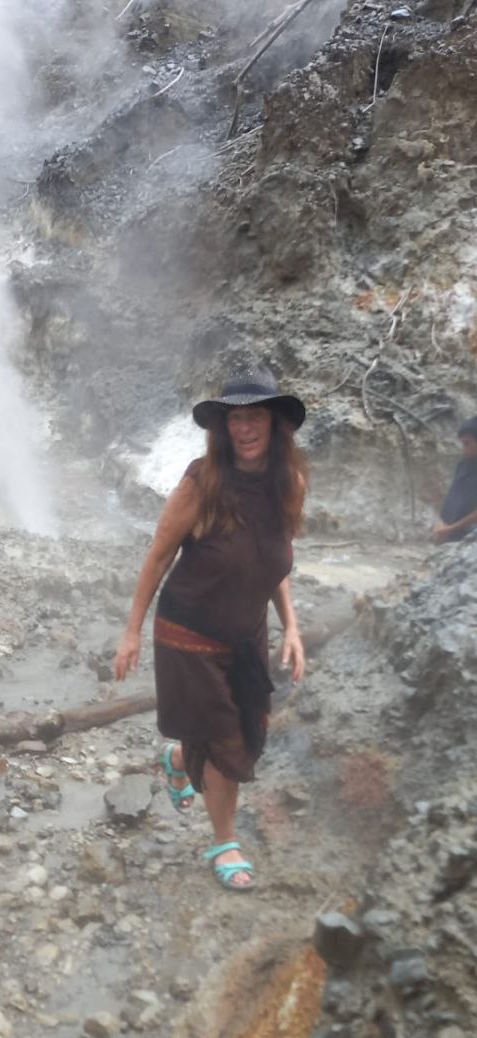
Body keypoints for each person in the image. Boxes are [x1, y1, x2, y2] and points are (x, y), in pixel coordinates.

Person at [114, 372, 307, 892]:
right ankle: (225, 841)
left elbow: (274, 560)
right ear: (223, 427)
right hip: (189, 633)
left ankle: (180, 758)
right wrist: (131, 632)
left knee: (250, 731)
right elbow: (158, 556)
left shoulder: (288, 482)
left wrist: (291, 626)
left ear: (274, 424)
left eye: (255, 416)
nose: (244, 428)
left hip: (247, 635)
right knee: (225, 739)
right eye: (235, 418)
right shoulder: (202, 483)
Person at [433, 417, 477, 545]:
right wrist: (440, 523)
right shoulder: (463, 465)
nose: (464, 449)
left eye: (467, 444)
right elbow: (451, 498)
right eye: (463, 444)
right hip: (451, 533)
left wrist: (449, 529)